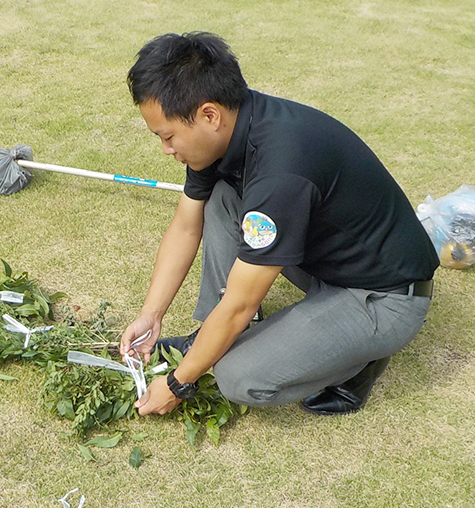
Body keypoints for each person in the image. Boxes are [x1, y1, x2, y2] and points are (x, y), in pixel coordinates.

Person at [119, 32, 439, 417]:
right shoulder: (227, 131)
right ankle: (214, 336)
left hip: (384, 298)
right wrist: (150, 316)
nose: (166, 149)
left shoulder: (281, 170)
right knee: (222, 199)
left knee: (236, 376)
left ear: (209, 114)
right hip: (329, 257)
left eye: (168, 136)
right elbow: (187, 226)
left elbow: (239, 305)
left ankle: (358, 362)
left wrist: (177, 383)